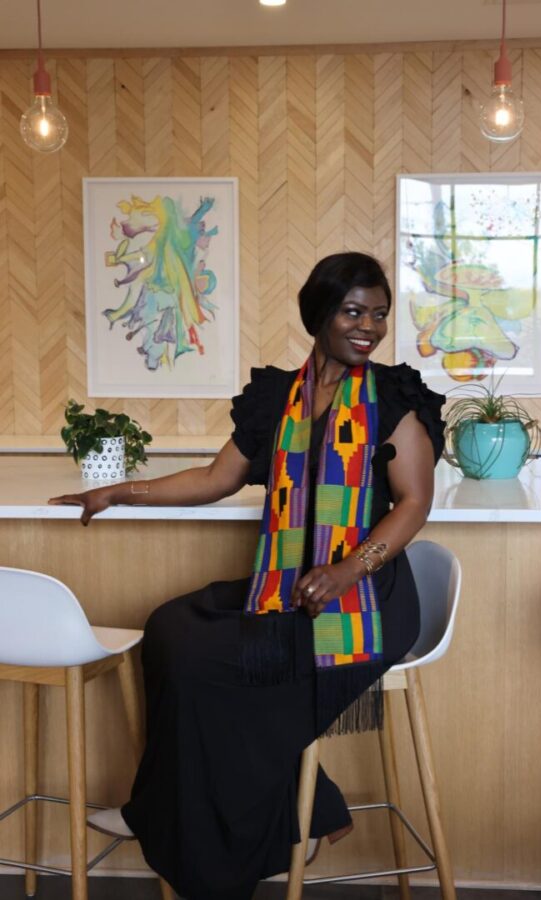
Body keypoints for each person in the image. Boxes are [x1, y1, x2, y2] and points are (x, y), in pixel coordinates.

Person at [49, 252, 445, 900]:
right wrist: (121, 491)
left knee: (209, 662)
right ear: (319, 314)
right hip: (292, 585)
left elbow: (415, 502)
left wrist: (349, 567)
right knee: (172, 626)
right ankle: (293, 811)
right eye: (353, 311)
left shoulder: (393, 397)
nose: (368, 325)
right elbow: (214, 479)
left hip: (366, 598)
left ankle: (202, 833)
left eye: (378, 312)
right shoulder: (276, 401)